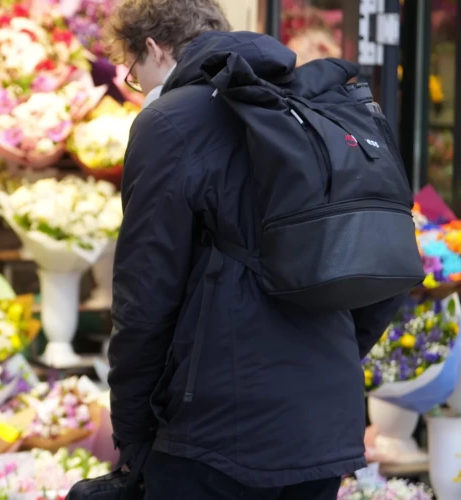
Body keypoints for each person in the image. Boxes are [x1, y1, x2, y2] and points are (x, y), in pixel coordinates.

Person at [102, 1, 406, 499]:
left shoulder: (171, 121)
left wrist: (133, 434)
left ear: (153, 49)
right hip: (323, 419)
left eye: (133, 73)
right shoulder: (318, 106)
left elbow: (144, 297)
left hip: (216, 432)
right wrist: (328, 362)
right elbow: (387, 260)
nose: (138, 87)